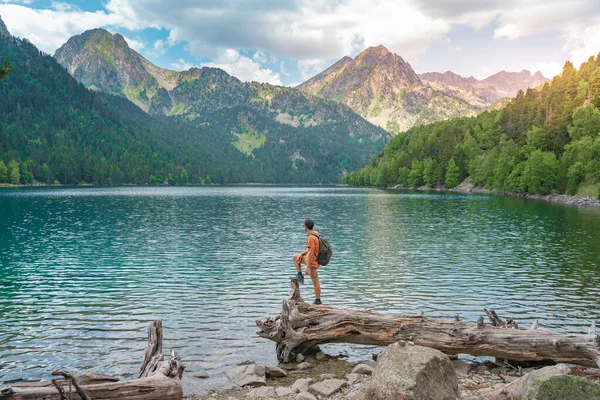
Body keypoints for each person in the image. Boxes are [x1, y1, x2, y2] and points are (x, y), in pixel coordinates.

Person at [291, 219, 322, 305]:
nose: (303, 227)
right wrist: (302, 254)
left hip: (312, 262)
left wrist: (307, 267)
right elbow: (310, 250)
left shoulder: (311, 237)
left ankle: (318, 300)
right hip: (311, 259)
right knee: (295, 257)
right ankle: (299, 275)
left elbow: (311, 253)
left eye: (304, 226)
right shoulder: (316, 234)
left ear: (305, 227)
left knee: (315, 281)